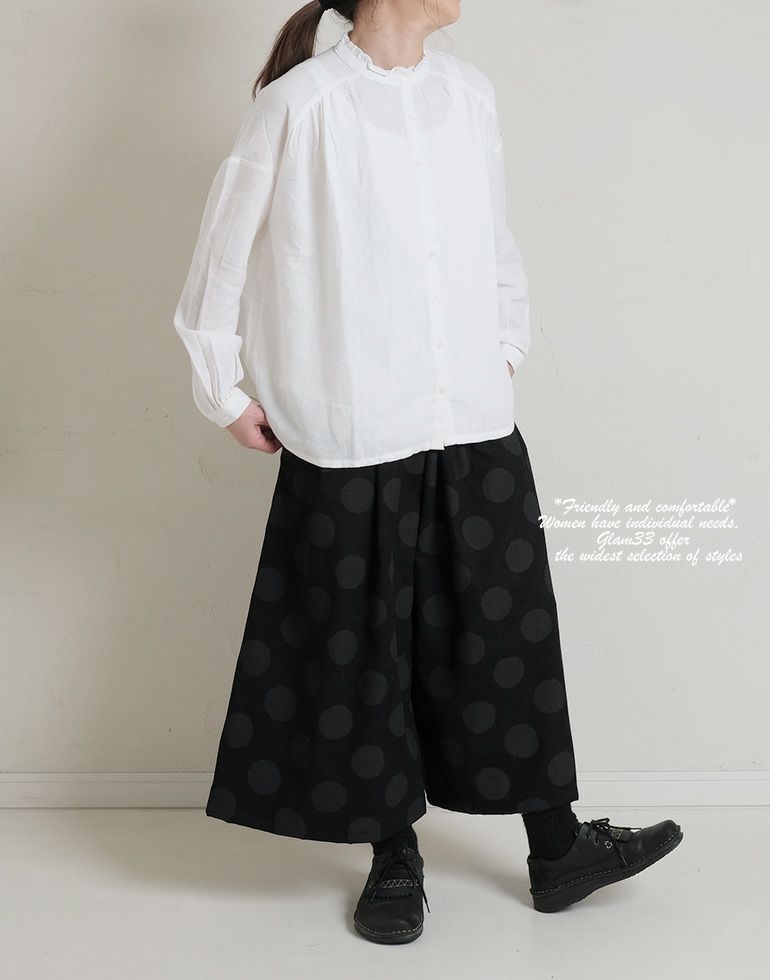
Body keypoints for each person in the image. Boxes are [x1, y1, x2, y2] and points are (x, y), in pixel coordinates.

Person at [172, 0, 683, 946]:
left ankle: (559, 848)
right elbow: (221, 256)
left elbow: (493, 238)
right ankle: (394, 859)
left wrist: (506, 344)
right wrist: (223, 389)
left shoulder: (470, 94)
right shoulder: (300, 104)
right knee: (366, 648)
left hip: (470, 418)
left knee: (505, 631)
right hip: (352, 422)